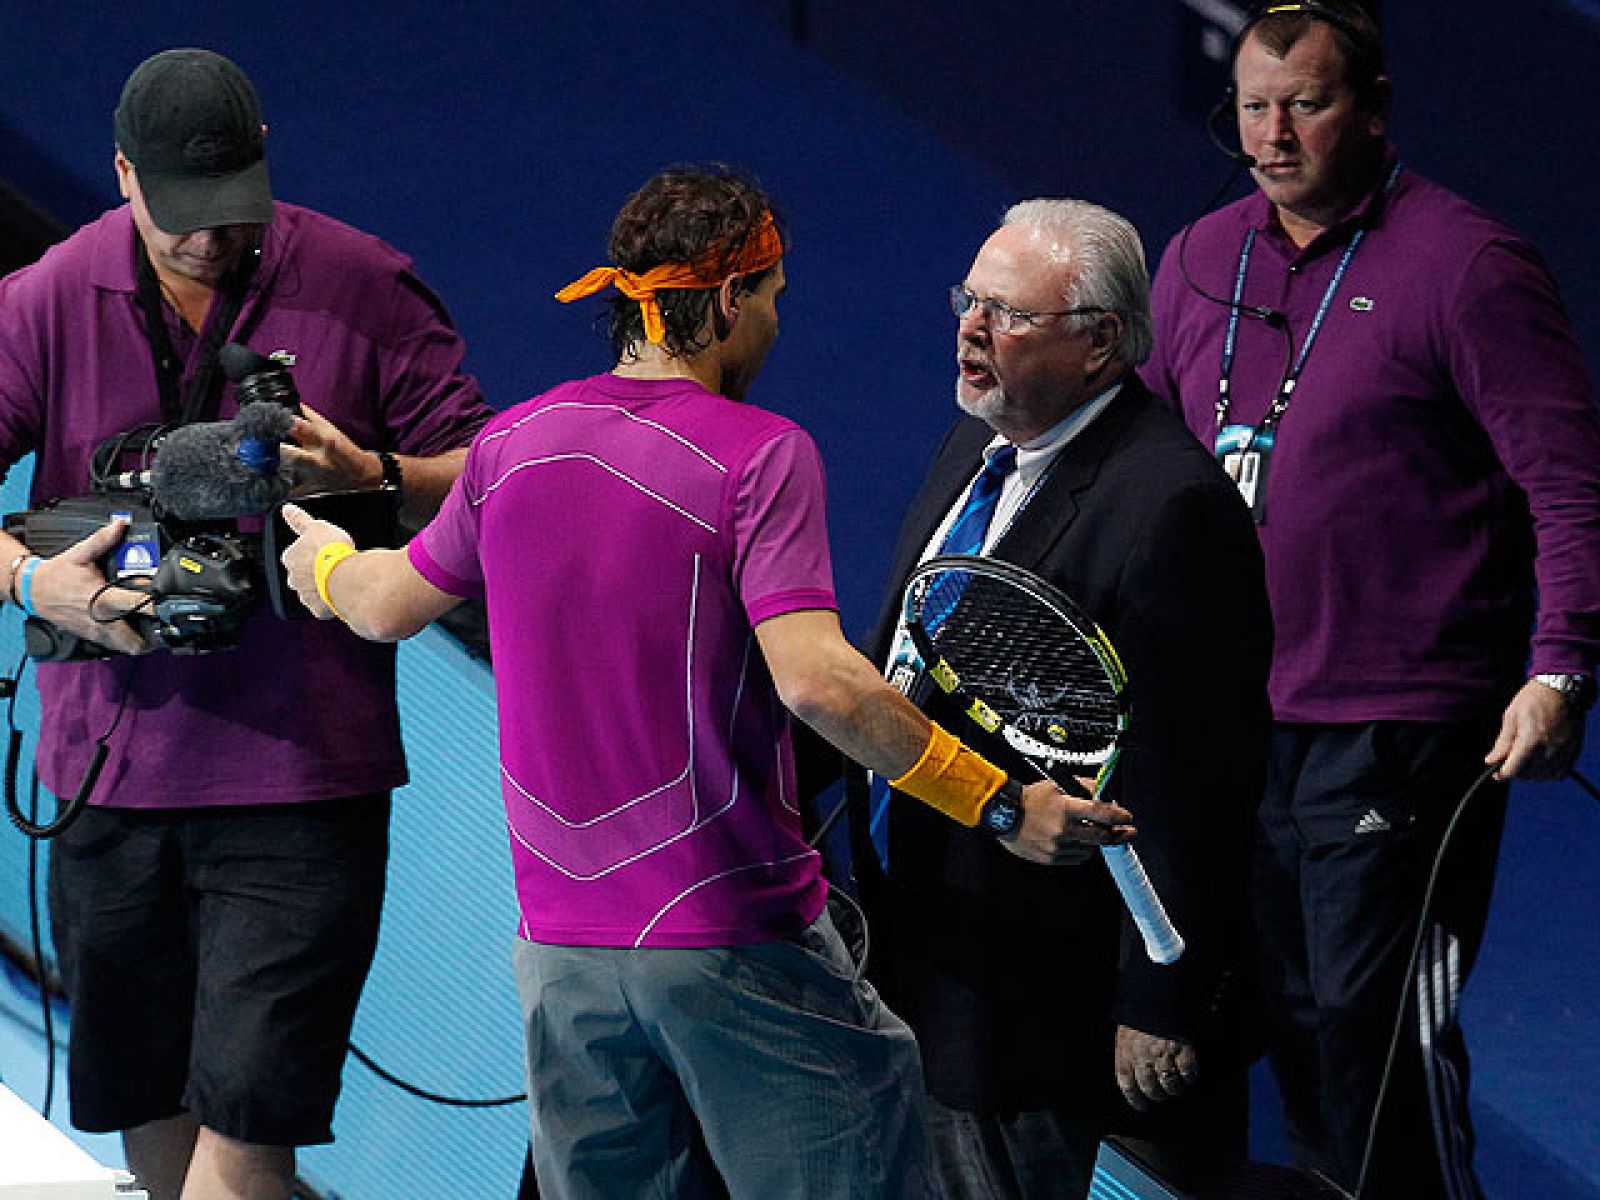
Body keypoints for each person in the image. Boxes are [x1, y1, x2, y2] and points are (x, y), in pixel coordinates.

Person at [277, 164, 1137, 1200]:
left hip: (561, 958)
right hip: (734, 940)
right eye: (771, 296)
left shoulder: (510, 444)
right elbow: (820, 685)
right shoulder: (761, 455)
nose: (774, 321)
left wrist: (322, 559)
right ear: (730, 299)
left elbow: (381, 605)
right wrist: (998, 801)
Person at [0, 48, 490, 1200]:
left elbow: (486, 477)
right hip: (109, 776)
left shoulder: (363, 285)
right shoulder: (45, 300)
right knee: (150, 1103)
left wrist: (370, 473)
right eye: (181, 212)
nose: (209, 239)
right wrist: (32, 585)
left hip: (302, 781)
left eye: (231, 207)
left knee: (250, 1119)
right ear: (123, 173)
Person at [1140, 3, 1600, 1196]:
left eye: (1307, 104)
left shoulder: (1468, 267)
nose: (1273, 135)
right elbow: (1134, 457)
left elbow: (1567, 483)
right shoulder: (1198, 259)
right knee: (1290, 1023)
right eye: (1253, 106)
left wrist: (1560, 668)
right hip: (1240, 720)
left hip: (1404, 726)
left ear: (1376, 107)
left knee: (1376, 1032)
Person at [841, 198, 1272, 1200]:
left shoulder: (1171, 508)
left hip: (1040, 998)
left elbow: (1200, 779)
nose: (971, 329)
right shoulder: (977, 446)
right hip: (921, 947)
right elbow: (905, 659)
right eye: (969, 299)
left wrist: (1161, 995)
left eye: (1010, 314)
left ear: (1100, 343)